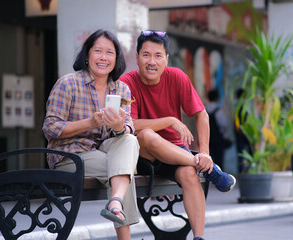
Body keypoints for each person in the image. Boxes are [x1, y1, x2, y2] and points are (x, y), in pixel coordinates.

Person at [120, 30, 236, 240]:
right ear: (136, 57)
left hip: (175, 152)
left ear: (166, 59)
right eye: (146, 55)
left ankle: (198, 237)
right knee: (146, 135)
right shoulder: (127, 82)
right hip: (142, 155)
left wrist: (205, 152)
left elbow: (201, 115)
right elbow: (132, 125)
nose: (151, 61)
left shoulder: (177, 77)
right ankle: (209, 169)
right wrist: (171, 121)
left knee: (190, 174)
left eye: (158, 55)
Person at [42, 29, 139, 240]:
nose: (103, 57)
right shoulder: (68, 84)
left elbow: (130, 127)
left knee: (129, 140)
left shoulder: (121, 89)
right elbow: (50, 127)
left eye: (109, 52)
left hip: (105, 151)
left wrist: (120, 126)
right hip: (70, 154)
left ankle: (115, 202)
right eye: (98, 51)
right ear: (87, 55)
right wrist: (90, 123)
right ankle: (124, 231)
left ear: (117, 58)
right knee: (122, 171)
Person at [206, 88, 232, 169]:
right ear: (217, 98)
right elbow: (223, 124)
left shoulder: (204, 110)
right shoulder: (218, 111)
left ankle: (209, 177)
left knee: (209, 159)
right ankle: (219, 176)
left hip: (207, 139)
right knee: (219, 160)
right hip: (218, 139)